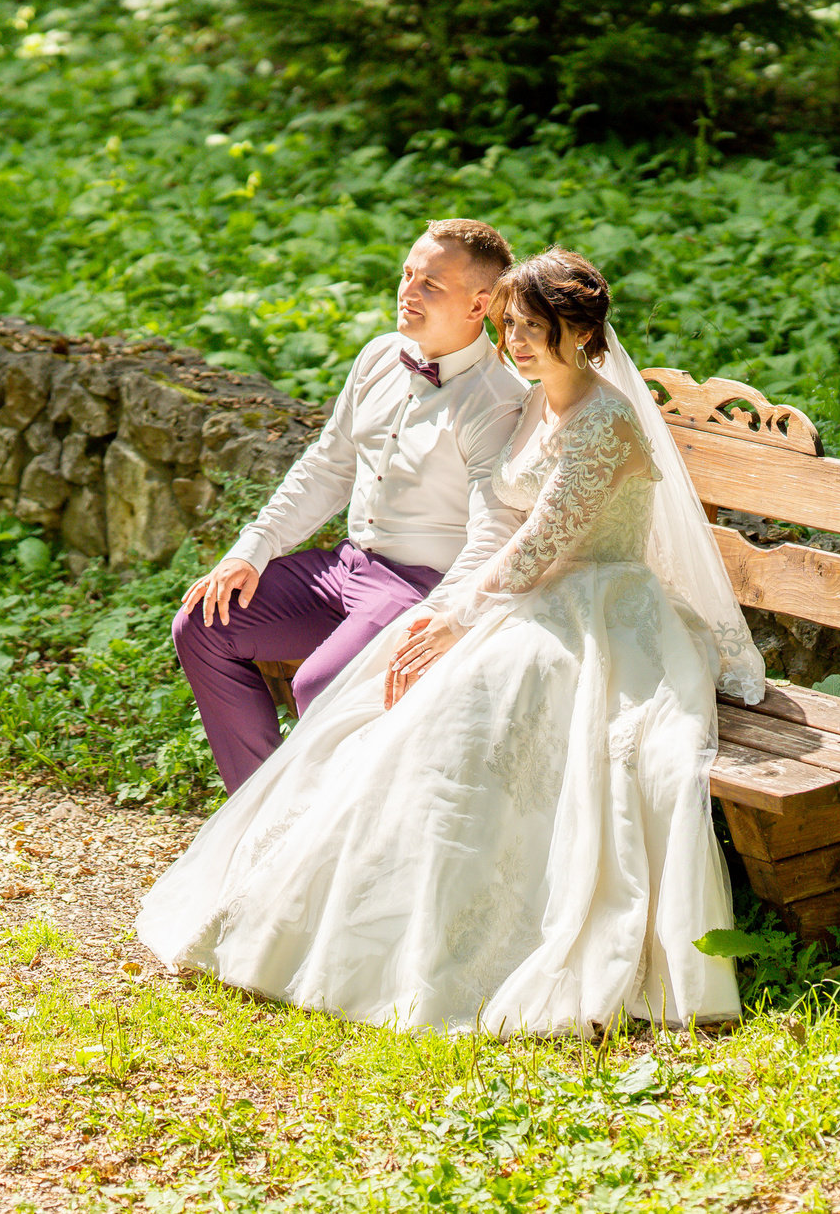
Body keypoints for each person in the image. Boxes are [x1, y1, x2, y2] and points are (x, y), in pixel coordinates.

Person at [137, 249, 770, 1036]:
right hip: (516, 596)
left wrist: (454, 614)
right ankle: (295, 866)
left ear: (581, 332)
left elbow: (541, 540)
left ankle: (464, 927)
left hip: (596, 607)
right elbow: (481, 518)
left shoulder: (601, 419)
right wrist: (452, 607)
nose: (520, 343)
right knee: (397, 697)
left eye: (535, 329)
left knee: (457, 709)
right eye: (512, 328)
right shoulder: (536, 404)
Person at [173, 219, 528, 793]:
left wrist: (446, 616)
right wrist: (252, 550)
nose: (407, 292)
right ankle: (257, 811)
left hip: (419, 589)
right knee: (204, 621)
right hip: (343, 568)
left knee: (322, 683)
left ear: (480, 304)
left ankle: (313, 830)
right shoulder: (379, 356)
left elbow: (494, 530)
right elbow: (328, 466)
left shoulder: (499, 402)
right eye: (407, 274)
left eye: (430, 285)